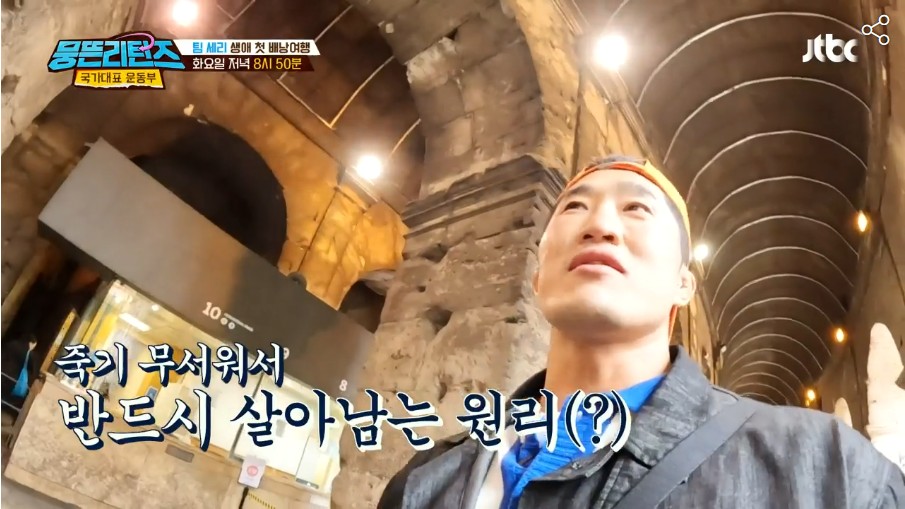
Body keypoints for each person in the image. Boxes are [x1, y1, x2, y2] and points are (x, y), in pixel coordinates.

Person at [376, 156, 905, 508]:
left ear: (682, 285)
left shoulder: (823, 470)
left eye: (636, 208)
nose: (600, 225)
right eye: (574, 206)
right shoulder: (429, 480)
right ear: (537, 277)